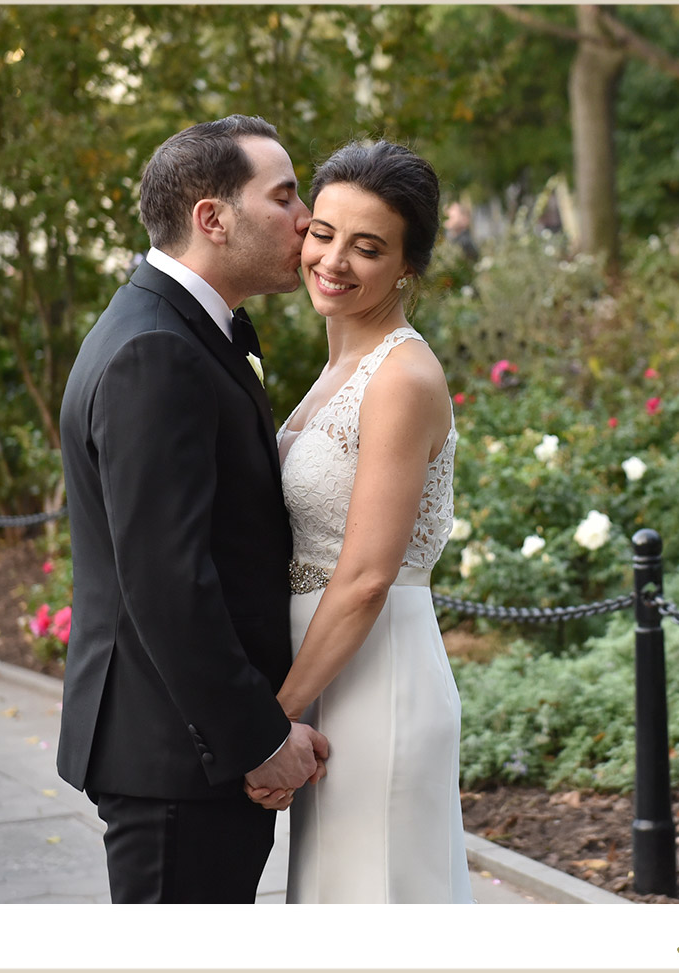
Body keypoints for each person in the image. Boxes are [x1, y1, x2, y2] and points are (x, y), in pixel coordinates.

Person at [57, 115, 330, 904]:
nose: (306, 218)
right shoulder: (156, 351)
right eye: (284, 197)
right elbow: (169, 582)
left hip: (182, 745)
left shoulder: (184, 330)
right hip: (177, 753)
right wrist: (257, 739)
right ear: (212, 218)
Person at [247, 140, 471, 903]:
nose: (334, 260)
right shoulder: (343, 360)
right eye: (324, 233)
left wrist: (269, 721)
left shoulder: (402, 376)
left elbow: (370, 573)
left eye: (368, 247)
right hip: (328, 670)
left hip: (378, 676)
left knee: (376, 901)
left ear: (408, 267)